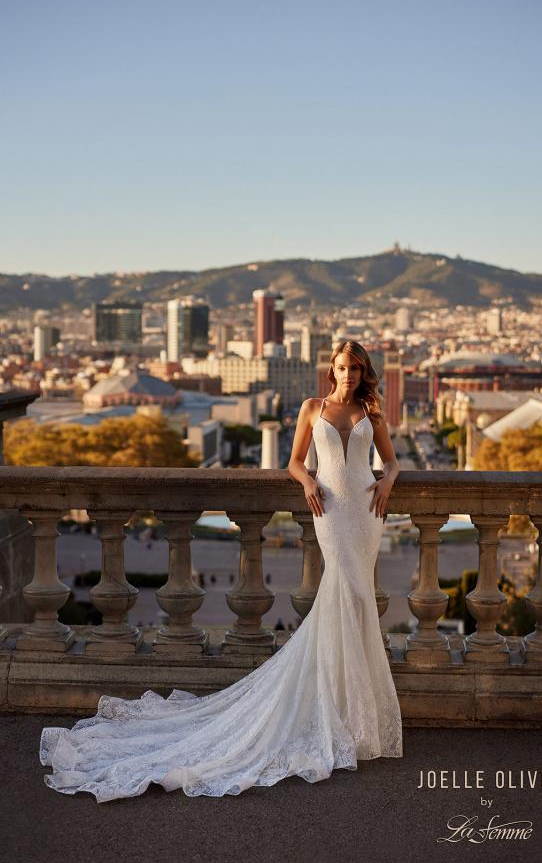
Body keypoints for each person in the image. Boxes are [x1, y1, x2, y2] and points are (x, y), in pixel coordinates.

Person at [39, 340, 402, 803]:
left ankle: (353, 714)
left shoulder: (373, 414)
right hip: (329, 510)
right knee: (340, 593)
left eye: (356, 367)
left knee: (356, 602)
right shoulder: (313, 408)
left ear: (364, 371)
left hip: (366, 515)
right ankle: (337, 711)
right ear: (331, 371)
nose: (349, 373)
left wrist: (387, 480)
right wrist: (309, 479)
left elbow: (390, 462)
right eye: (342, 367)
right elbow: (293, 462)